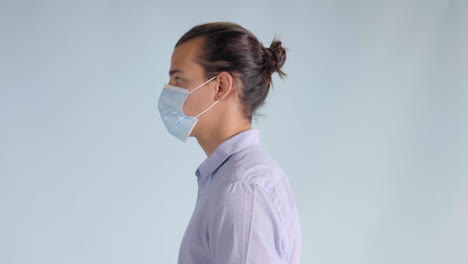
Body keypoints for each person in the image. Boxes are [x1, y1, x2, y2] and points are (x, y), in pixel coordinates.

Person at [157, 22, 301, 264]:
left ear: (221, 86)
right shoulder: (229, 179)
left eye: (178, 79)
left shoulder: (243, 189)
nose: (168, 90)